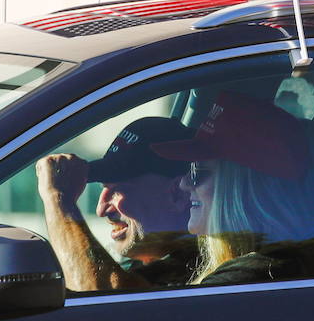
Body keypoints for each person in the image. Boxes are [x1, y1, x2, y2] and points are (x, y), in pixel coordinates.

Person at [153, 91, 314, 285]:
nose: (183, 184)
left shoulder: (244, 281)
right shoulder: (283, 268)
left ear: (245, 191)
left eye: (197, 172)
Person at [36, 116, 196, 292]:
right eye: (103, 188)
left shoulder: (198, 264)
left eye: (117, 191)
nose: (101, 210)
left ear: (178, 195)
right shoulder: (142, 260)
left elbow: (99, 295)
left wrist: (58, 199)